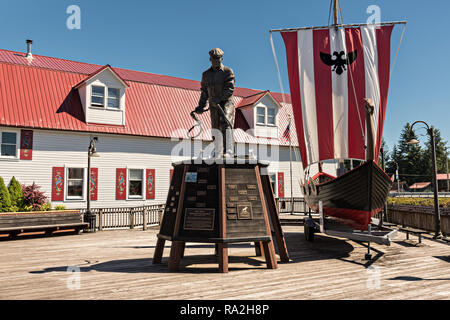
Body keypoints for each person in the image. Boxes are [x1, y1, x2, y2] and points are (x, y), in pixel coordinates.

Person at [194, 48, 235, 158]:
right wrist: (201, 106)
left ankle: (229, 151)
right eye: (214, 59)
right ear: (210, 59)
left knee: (225, 123)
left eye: (218, 59)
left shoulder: (227, 72)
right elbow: (204, 92)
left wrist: (220, 98)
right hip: (213, 105)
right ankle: (218, 151)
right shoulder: (206, 75)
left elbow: (230, 89)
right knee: (215, 127)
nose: (216, 61)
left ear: (222, 58)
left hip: (226, 103)